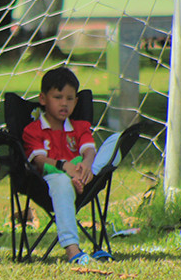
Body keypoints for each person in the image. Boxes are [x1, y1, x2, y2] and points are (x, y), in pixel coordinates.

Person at [22, 67, 121, 264]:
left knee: (117, 141)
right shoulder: (33, 130)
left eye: (69, 99)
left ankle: (83, 177)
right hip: (50, 181)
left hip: (84, 175)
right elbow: (39, 161)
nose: (64, 103)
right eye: (58, 97)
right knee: (60, 180)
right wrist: (64, 166)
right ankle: (72, 250)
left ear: (76, 101)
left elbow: (89, 150)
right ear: (43, 99)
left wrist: (85, 164)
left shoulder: (79, 126)